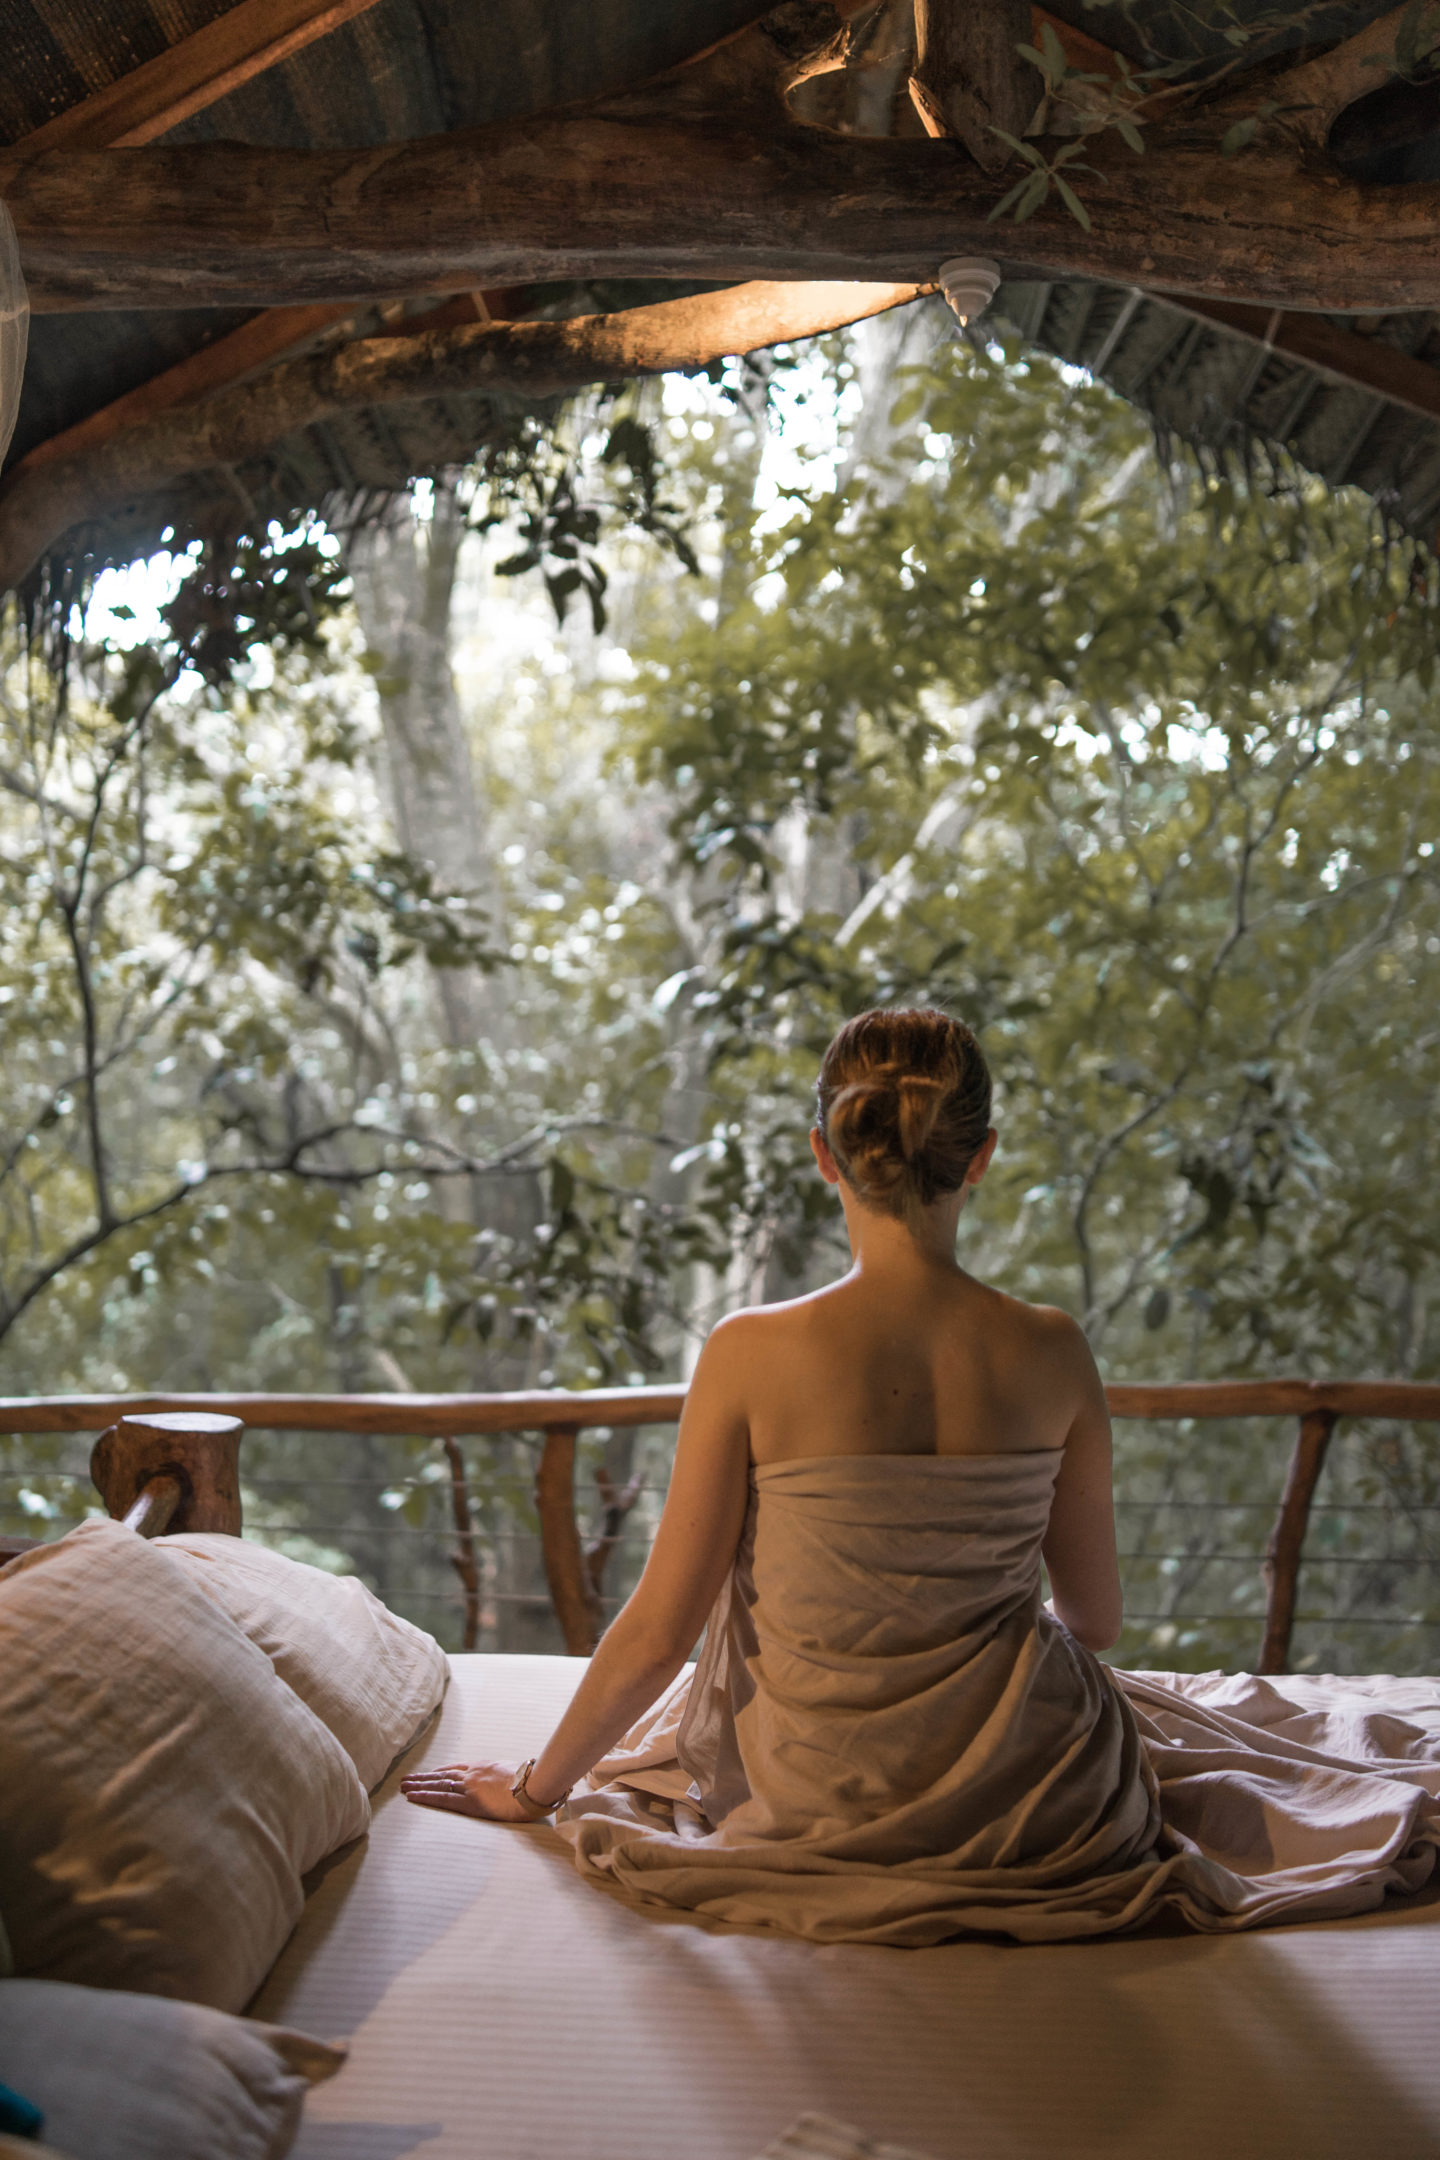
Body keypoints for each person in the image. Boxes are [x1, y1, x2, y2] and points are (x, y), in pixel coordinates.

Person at [403, 1007, 1440, 1944]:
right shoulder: (1053, 1350)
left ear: (825, 1154)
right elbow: (1097, 1619)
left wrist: (537, 1791)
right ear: (980, 1156)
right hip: (1035, 1799)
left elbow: (659, 1633)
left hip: (812, 1790)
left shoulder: (750, 1352)